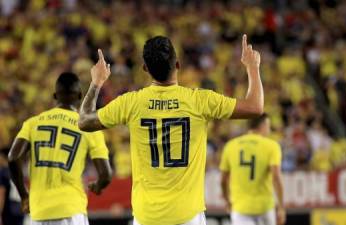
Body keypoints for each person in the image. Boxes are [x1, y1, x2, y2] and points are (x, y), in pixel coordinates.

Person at [78, 34, 263, 225]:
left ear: (145, 69)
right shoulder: (199, 101)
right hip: (188, 215)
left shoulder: (131, 102)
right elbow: (255, 107)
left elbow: (84, 121)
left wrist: (96, 83)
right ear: (177, 64)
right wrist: (252, 67)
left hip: (146, 217)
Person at [8, 72, 112, 225]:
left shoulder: (32, 123)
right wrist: (97, 186)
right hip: (71, 210)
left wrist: (24, 196)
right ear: (80, 95)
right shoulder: (88, 126)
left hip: (38, 212)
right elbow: (106, 175)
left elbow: (13, 157)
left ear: (55, 96)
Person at [219, 113, 285, 225]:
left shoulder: (230, 146)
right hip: (265, 207)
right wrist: (281, 207)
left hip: (240, 207)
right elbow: (276, 177)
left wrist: (227, 200)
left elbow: (223, 180)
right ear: (263, 125)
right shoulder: (272, 146)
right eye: (268, 126)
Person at [0, 148, 24, 225]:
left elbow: (1, 193)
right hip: (19, 209)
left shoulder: (3, 172)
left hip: (8, 211)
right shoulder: (18, 172)